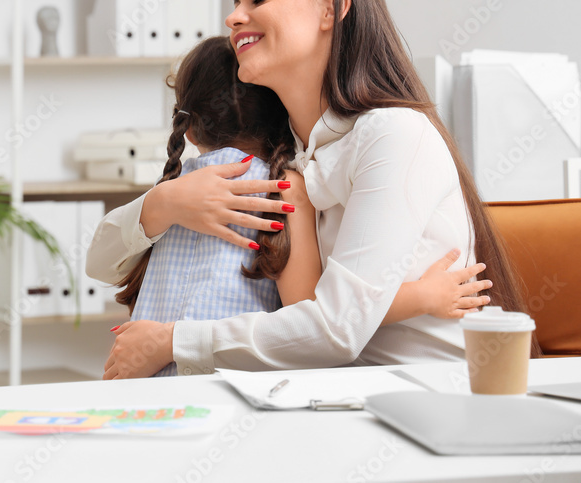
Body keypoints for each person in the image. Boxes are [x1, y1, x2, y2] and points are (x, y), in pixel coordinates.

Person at [89, 0, 534, 379]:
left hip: (422, 391)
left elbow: (337, 328)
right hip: (328, 391)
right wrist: (161, 203)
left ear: (332, 8)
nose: (233, 17)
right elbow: (103, 260)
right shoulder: (290, 156)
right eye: (236, 2)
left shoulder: (393, 134)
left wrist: (171, 341)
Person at [117, 36, 490, 377]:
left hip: (143, 377)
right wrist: (424, 296)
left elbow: (101, 261)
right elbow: (315, 314)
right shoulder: (285, 187)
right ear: (281, 116)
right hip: (230, 381)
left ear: (189, 130)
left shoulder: (169, 191)